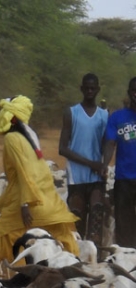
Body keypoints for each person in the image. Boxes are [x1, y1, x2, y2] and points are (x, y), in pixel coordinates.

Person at [0, 96, 79, 264]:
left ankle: (10, 285)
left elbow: (24, 172)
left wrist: (25, 204)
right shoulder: (28, 139)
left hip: (28, 207)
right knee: (62, 244)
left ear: (9, 117)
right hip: (48, 205)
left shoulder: (11, 139)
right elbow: (17, 183)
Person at [58, 73, 109, 249]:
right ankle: (75, 261)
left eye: (92, 88)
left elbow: (105, 146)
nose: (89, 90)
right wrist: (91, 163)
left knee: (96, 214)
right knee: (77, 219)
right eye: (86, 87)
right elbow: (62, 148)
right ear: (81, 89)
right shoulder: (71, 113)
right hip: (76, 175)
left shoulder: (104, 116)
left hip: (96, 176)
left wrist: (103, 166)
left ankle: (96, 260)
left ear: (97, 90)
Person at [102, 77, 136, 248]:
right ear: (130, 93)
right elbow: (110, 143)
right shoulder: (117, 117)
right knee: (124, 223)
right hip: (124, 180)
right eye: (134, 91)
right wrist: (104, 164)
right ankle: (128, 261)